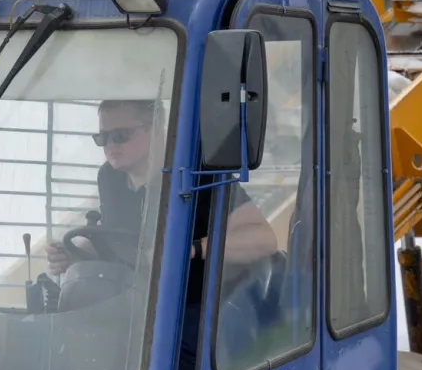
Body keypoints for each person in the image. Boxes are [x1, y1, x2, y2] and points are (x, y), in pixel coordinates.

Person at [47, 99, 279, 276]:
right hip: (134, 307)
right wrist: (73, 253)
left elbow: (263, 239)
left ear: (156, 126)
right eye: (102, 137)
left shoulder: (198, 175)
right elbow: (119, 242)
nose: (109, 146)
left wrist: (190, 249)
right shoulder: (110, 177)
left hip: (198, 307)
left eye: (119, 135)